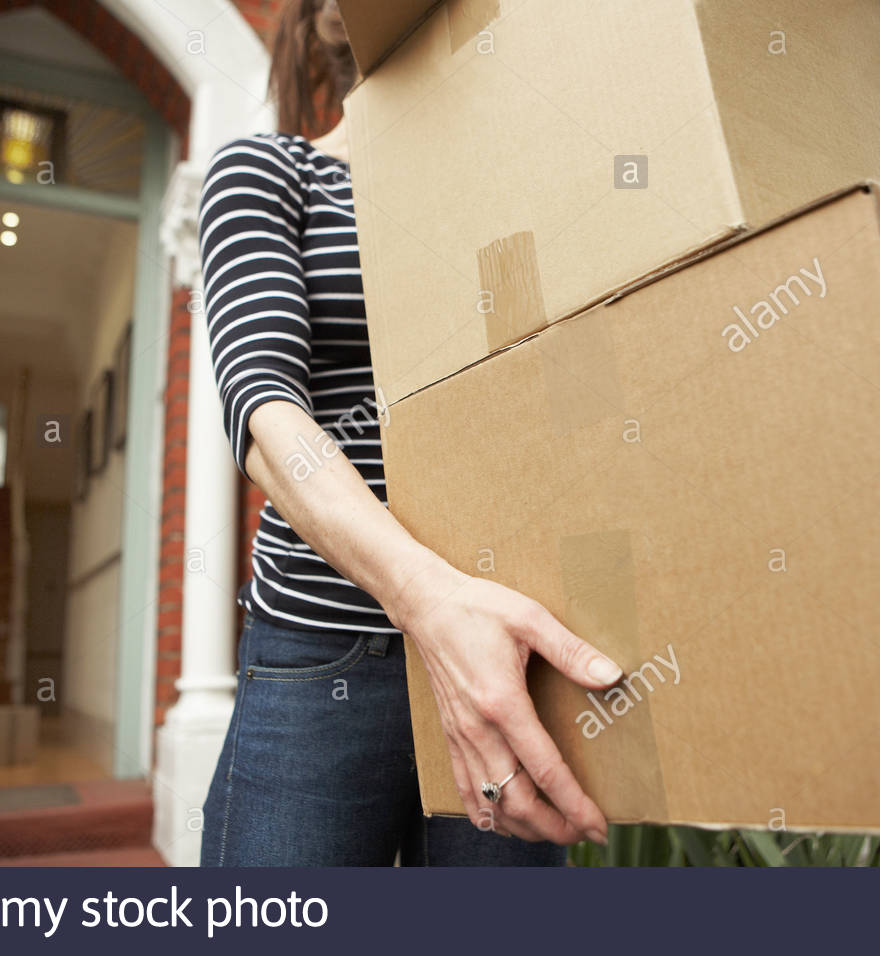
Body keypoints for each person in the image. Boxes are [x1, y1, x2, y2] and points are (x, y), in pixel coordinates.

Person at [197, 0, 622, 866]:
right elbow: (266, 410)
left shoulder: (513, 197)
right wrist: (428, 602)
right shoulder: (271, 173)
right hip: (324, 653)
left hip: (507, 645)